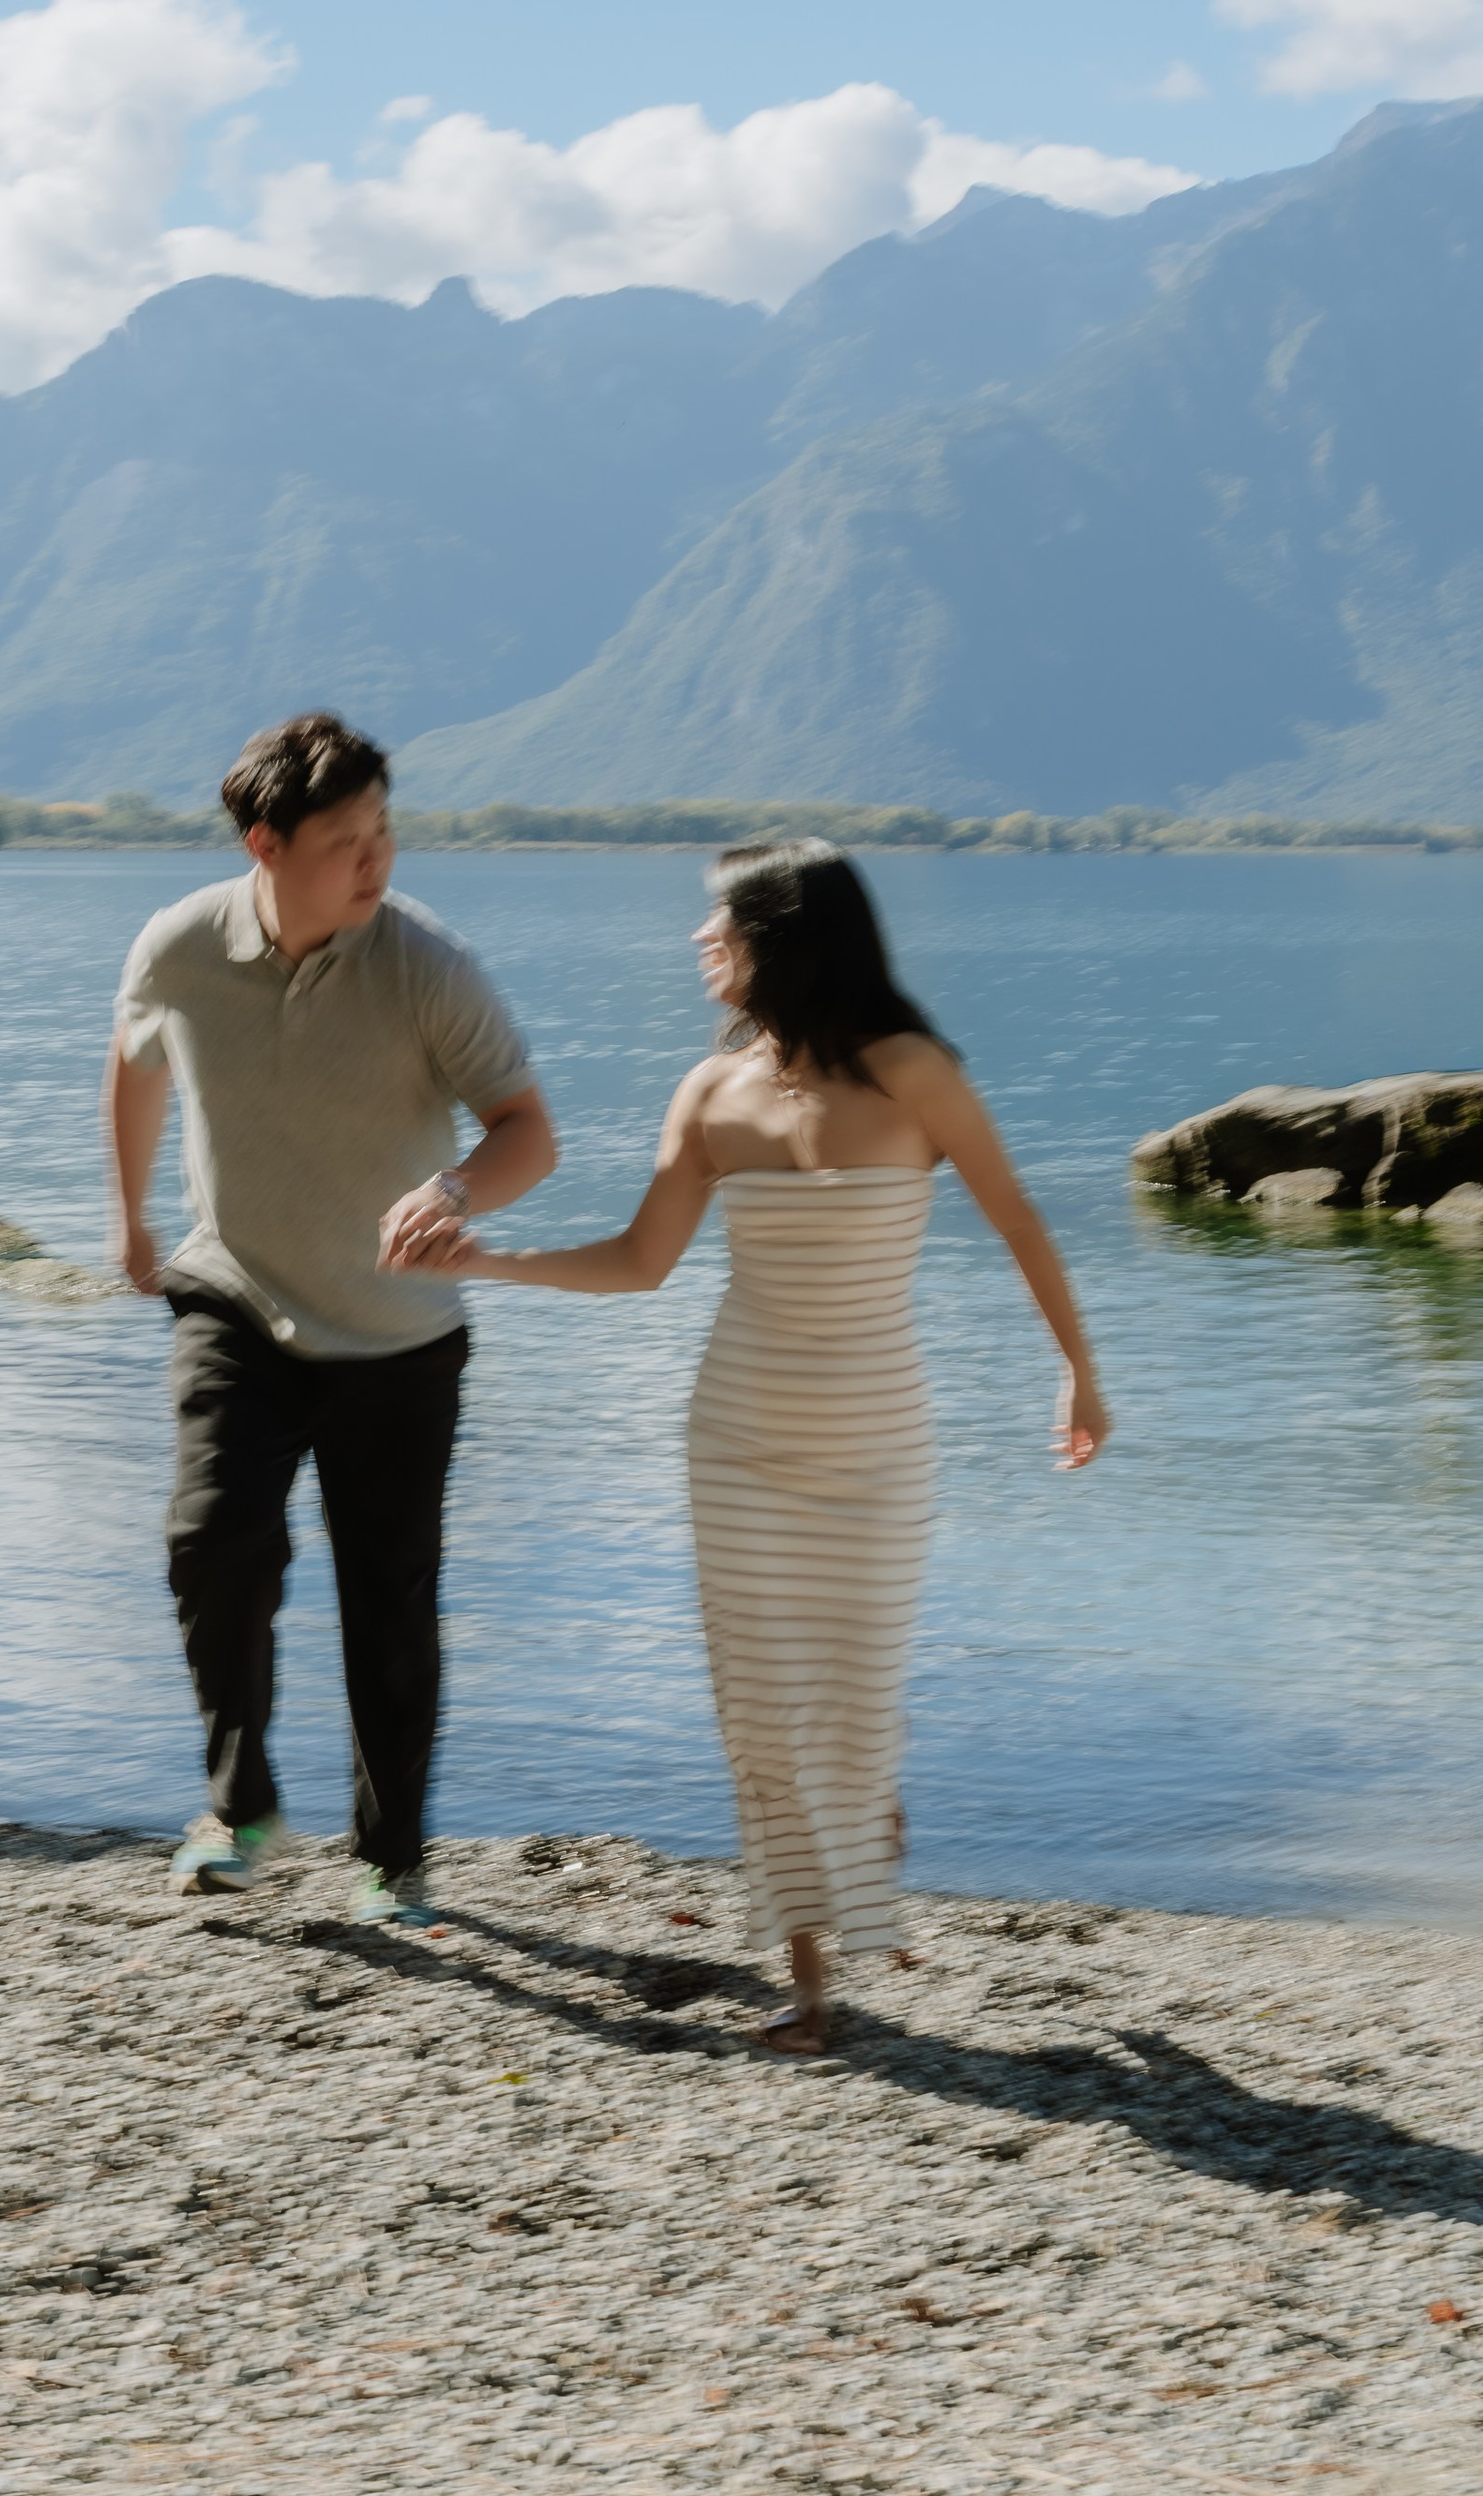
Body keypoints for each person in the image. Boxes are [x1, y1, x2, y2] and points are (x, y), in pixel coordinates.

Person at [405, 840, 1107, 2052]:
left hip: (877, 1438)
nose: (697, 942)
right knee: (762, 1709)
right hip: (735, 1437)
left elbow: (1015, 1214)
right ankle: (812, 1991)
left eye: (717, 923)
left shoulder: (913, 1072)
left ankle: (865, 1791)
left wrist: (1078, 1369)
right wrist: (492, 1260)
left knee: (853, 1687)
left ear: (780, 938)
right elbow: (640, 1263)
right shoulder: (708, 1095)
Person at [107, 712, 557, 1925]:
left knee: (388, 1602)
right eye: (346, 839)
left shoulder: (426, 967)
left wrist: (455, 1186)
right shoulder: (180, 946)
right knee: (212, 1546)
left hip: (400, 1334)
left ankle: (392, 1857)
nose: (377, 859)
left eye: (384, 832)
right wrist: (136, 1223)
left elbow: (528, 1129)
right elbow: (136, 1055)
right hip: (234, 1297)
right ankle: (240, 1808)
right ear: (266, 843)